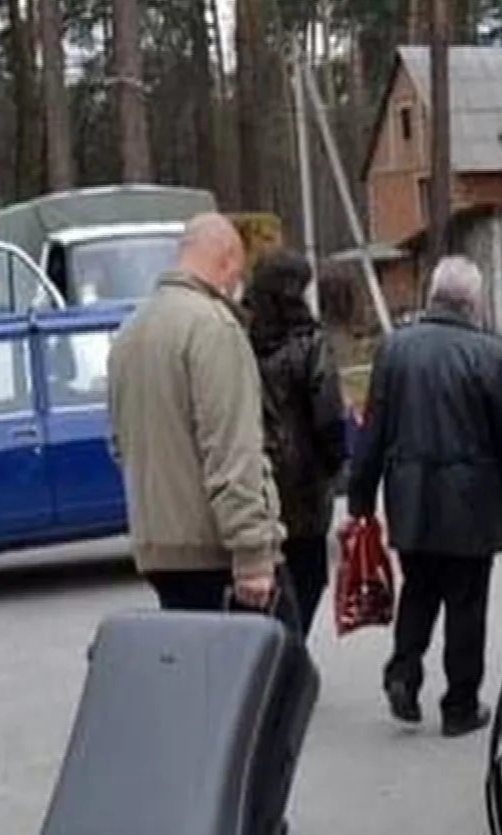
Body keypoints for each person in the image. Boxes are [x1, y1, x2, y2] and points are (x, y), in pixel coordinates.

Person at [348, 257, 502, 738]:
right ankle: (459, 703)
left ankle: (403, 672)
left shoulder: (393, 351)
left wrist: (361, 495)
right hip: (473, 498)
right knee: (466, 601)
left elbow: (374, 430)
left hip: (409, 493)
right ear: (472, 302)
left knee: (418, 589)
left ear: (432, 296)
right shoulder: (492, 356)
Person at [107, 212, 288, 619]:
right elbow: (232, 449)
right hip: (215, 550)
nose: (236, 285)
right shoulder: (214, 328)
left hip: (159, 549)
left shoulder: (129, 333)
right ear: (226, 260)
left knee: (194, 675)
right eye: (237, 272)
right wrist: (252, 553)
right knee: (278, 673)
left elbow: (119, 444)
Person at [246, 250, 348, 637]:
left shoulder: (239, 339)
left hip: (256, 469)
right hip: (304, 475)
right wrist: (337, 460)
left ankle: (270, 647)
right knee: (307, 572)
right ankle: (288, 650)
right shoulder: (310, 342)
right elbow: (327, 412)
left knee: (266, 571)